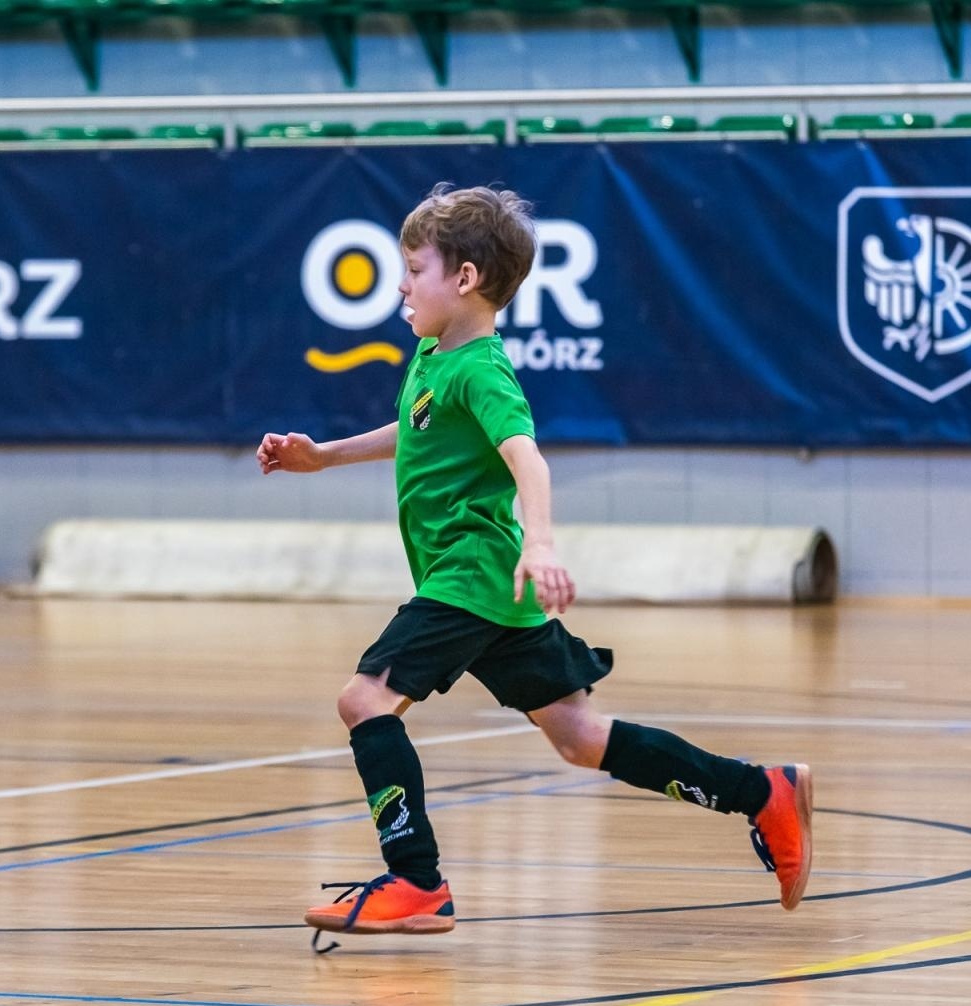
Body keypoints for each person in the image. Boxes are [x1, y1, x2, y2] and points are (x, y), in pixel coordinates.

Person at [257, 183, 812, 939]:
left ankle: (416, 881)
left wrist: (542, 542)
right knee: (581, 737)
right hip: (493, 590)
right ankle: (761, 792)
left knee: (365, 700)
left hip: (473, 575)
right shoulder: (434, 355)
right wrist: (323, 457)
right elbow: (416, 429)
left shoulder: (483, 369)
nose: (399, 285)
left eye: (413, 269)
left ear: (465, 279)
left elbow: (529, 460)